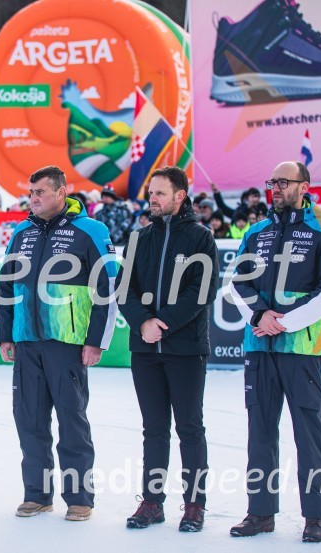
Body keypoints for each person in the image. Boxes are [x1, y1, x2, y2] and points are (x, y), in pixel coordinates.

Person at [228, 161, 321, 543]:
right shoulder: (255, 231)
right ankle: (260, 512)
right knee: (259, 431)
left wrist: (285, 321)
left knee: (309, 432)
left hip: (301, 348)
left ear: (304, 187)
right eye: (272, 182)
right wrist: (261, 315)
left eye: (283, 181)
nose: (275, 187)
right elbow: (237, 281)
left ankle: (316, 515)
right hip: (259, 346)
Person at [0, 166, 118, 522]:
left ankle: (80, 498)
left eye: (40, 192)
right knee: (29, 420)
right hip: (27, 342)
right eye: (30, 193)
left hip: (68, 344)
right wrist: (5, 333)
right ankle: (37, 494)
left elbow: (107, 290)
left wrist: (96, 342)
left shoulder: (91, 230)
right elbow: (6, 287)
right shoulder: (21, 231)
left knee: (72, 421)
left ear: (62, 192)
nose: (32, 199)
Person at [115, 166, 218, 532]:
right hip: (145, 349)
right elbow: (123, 288)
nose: (152, 199)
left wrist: (165, 323)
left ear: (180, 196)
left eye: (160, 193)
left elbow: (202, 291)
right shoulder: (139, 238)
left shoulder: (201, 238)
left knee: (190, 428)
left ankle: (194, 504)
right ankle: (152, 501)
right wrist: (143, 321)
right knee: (154, 428)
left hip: (186, 349)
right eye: (151, 193)